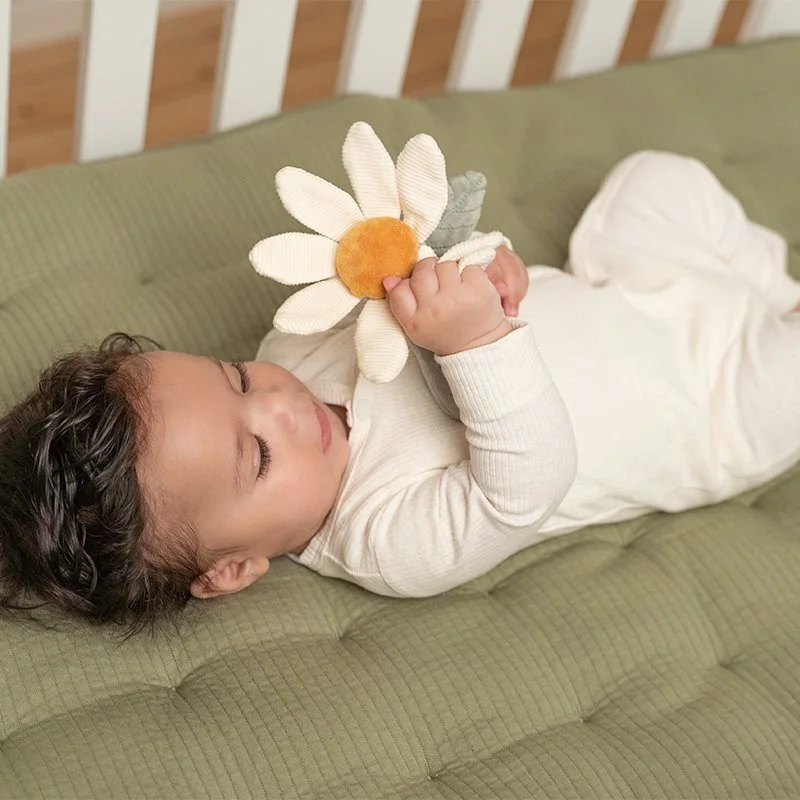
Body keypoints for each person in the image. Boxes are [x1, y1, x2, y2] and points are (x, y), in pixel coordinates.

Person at [1, 151, 799, 632]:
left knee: (652, 180)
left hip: (627, 288)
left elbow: (422, 289)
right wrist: (480, 341)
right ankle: (772, 312)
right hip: (709, 405)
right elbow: (525, 486)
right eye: (258, 456)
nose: (279, 402)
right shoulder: (386, 540)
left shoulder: (294, 346)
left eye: (235, 377)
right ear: (232, 568)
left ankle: (766, 284)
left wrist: (487, 272)